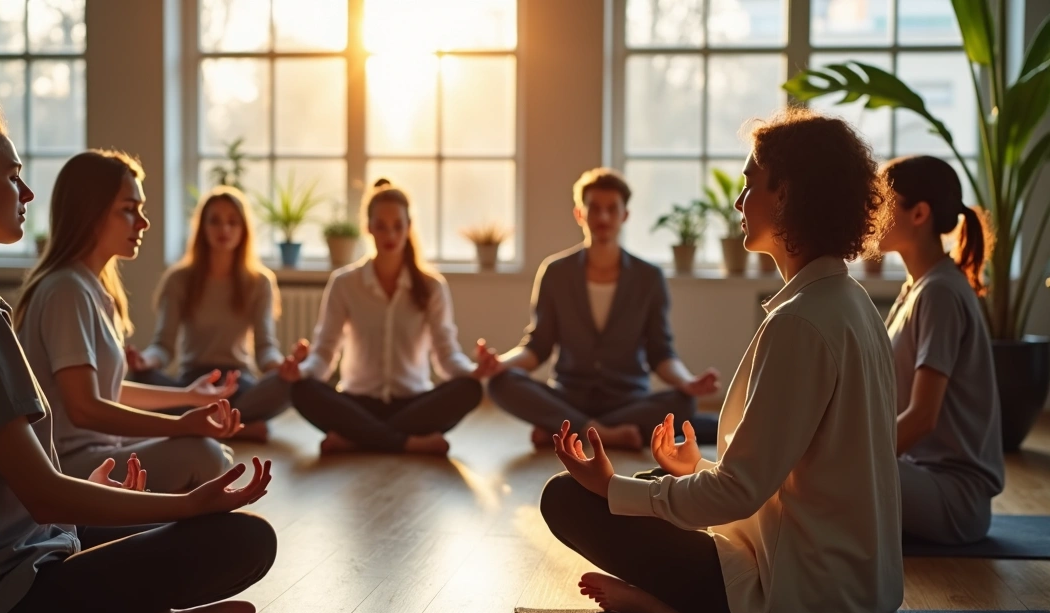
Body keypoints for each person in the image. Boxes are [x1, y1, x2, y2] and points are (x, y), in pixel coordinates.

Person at [0, 101, 276, 613]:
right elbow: (44, 494)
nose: (27, 194)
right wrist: (187, 500)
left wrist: (79, 504)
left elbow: (0, 484)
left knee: (190, 526)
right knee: (241, 540)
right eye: (13, 178)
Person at [539, 109, 903, 613]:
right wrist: (693, 468)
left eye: (750, 183)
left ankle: (671, 610)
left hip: (808, 609)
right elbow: (793, 473)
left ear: (786, 196)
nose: (738, 201)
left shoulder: (801, 321)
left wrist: (611, 487)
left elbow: (738, 494)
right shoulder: (852, 302)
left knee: (570, 497)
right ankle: (666, 601)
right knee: (650, 487)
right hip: (859, 595)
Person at [14, 151, 244, 493]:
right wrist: (180, 426)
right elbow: (84, 409)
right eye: (128, 209)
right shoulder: (65, 290)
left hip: (103, 451)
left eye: (140, 209)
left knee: (213, 456)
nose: (143, 222)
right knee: (205, 456)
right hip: (71, 465)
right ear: (90, 214)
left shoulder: (90, 288)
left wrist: (186, 397)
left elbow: (109, 390)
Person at [484, 168, 720, 450]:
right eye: (594, 209)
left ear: (625, 215)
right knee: (500, 384)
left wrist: (688, 382)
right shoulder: (555, 272)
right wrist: (500, 365)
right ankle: (602, 433)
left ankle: (565, 429)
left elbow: (660, 352)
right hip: (569, 395)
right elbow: (538, 346)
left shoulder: (649, 277)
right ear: (579, 214)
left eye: (612, 209)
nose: (603, 218)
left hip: (627, 399)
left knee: (684, 402)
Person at [284, 179, 494, 455]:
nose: (390, 234)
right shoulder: (344, 283)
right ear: (368, 227)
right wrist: (301, 371)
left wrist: (472, 371)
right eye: (381, 226)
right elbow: (324, 353)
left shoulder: (432, 286)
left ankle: (358, 438)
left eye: (398, 225)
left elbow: (445, 355)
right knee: (301, 390)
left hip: (412, 404)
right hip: (357, 402)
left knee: (470, 390)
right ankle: (406, 442)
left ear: (409, 227)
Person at [879, 155, 1004, 545]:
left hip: (954, 497)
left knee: (828, 470)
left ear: (919, 213)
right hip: (916, 475)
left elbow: (921, 418)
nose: (870, 212)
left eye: (882, 202)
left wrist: (852, 455)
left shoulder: (940, 292)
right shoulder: (916, 288)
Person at [127, 185, 306, 442]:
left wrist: (285, 367)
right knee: (140, 378)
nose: (224, 230)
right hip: (192, 384)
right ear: (202, 228)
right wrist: (145, 361)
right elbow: (163, 347)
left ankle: (205, 424)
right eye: (215, 222)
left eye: (233, 222)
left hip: (238, 383)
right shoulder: (179, 279)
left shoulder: (259, 281)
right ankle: (239, 426)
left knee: (295, 384)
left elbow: (266, 349)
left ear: (244, 230)